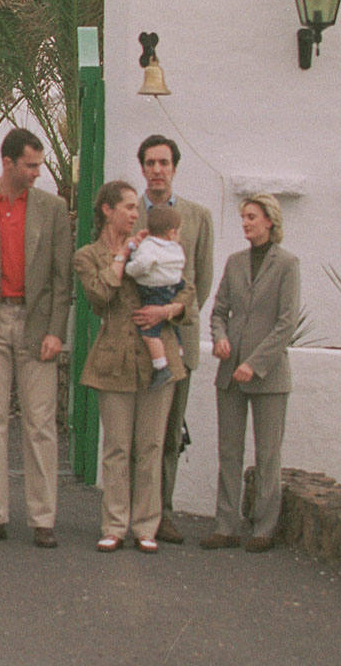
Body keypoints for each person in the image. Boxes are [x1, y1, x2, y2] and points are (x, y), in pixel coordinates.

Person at [0, 128, 71, 548]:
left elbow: (62, 277)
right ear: (7, 163)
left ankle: (43, 518)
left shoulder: (52, 208)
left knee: (41, 423)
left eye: (39, 165)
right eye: (31, 165)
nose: (38, 172)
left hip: (36, 321)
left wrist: (57, 330)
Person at [74, 181, 196, 553]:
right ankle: (114, 524)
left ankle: (147, 526)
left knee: (152, 444)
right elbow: (100, 296)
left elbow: (185, 288)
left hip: (158, 357)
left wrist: (168, 309)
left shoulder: (153, 243)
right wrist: (121, 258)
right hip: (113, 359)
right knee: (116, 447)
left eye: (134, 207)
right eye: (127, 206)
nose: (134, 212)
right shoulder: (88, 255)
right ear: (107, 210)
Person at [202, 194, 299, 553]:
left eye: (252, 217)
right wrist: (221, 339)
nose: (246, 223)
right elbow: (218, 312)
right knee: (229, 450)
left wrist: (254, 364)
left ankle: (264, 528)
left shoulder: (288, 264)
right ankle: (225, 525)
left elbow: (286, 323)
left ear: (269, 221)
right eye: (243, 217)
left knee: (268, 453)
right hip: (229, 374)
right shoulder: (234, 262)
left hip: (268, 376)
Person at [134, 134, 214, 545]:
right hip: (137, 334)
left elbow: (199, 279)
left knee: (168, 432)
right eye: (150, 162)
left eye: (164, 162)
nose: (157, 169)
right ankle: (132, 512)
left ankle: (162, 511)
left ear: (174, 168)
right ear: (143, 168)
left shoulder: (198, 217)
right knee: (134, 429)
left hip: (178, 334)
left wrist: (178, 321)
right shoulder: (130, 216)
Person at [124, 205, 186, 389]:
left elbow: (142, 263)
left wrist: (129, 268)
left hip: (154, 291)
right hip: (173, 286)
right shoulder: (176, 248)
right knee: (170, 321)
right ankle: (179, 348)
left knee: (149, 332)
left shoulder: (149, 247)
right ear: (171, 233)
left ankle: (161, 366)